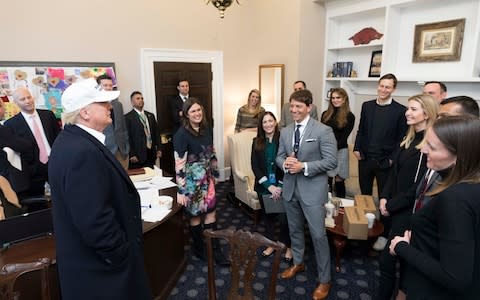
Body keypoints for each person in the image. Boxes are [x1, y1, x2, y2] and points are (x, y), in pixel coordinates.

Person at [48, 78, 152, 299]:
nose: (110, 107)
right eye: (103, 103)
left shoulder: (74, 141)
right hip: (102, 274)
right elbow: (94, 220)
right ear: (85, 113)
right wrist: (121, 254)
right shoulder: (81, 152)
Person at [390, 116, 480, 300]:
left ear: (458, 156)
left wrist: (401, 247)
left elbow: (455, 277)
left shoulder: (455, 199)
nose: (423, 150)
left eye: (431, 147)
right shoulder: (470, 186)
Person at [276, 89, 337, 300]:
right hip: (290, 189)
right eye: (292, 106)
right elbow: (279, 157)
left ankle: (324, 280)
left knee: (318, 236)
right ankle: (298, 263)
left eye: (298, 107)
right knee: (294, 231)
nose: (294, 110)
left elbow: (331, 162)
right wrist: (285, 163)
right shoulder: (285, 131)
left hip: (313, 191)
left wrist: (304, 166)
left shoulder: (323, 131)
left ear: (309, 107)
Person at [376, 94, 438, 300]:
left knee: (389, 261)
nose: (407, 112)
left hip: (408, 213)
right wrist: (384, 196)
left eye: (413, 109)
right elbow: (393, 174)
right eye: (408, 108)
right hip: (395, 208)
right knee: (392, 262)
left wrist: (390, 205)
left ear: (427, 114)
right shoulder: (409, 137)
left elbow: (418, 189)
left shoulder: (429, 146)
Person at [353, 73, 408, 251]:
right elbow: (361, 130)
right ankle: (365, 230)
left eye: (388, 87)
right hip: (365, 160)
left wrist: (393, 159)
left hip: (386, 163)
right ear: (378, 85)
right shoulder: (367, 106)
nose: (383, 89)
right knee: (365, 197)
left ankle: (384, 235)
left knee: (385, 201)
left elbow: (402, 139)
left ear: (394, 89)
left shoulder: (400, 110)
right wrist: (356, 147)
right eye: (381, 85)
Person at [173, 98, 229, 266]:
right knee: (196, 217)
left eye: (199, 110)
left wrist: (216, 173)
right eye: (193, 111)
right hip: (191, 182)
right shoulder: (181, 134)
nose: (197, 114)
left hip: (207, 179)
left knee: (211, 213)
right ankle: (199, 249)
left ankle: (216, 251)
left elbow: (212, 152)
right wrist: (181, 190)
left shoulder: (206, 129)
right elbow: (179, 164)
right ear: (186, 115)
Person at [251, 111, 292, 262]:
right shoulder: (256, 141)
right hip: (264, 187)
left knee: (284, 218)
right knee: (268, 217)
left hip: (283, 185)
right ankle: (271, 244)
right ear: (261, 125)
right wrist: (269, 186)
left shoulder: (284, 139)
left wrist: (279, 186)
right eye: (264, 122)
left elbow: (287, 163)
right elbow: (255, 166)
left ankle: (288, 246)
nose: (268, 124)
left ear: (275, 122)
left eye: (270, 121)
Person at [5, 87, 60, 196]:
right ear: (15, 103)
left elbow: (59, 138)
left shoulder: (48, 115)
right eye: (22, 99)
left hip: (55, 163)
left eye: (29, 97)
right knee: (38, 206)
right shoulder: (11, 124)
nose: (27, 101)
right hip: (33, 171)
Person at [321, 87, 355, 198]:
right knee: (327, 179)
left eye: (338, 97)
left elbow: (344, 137)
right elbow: (321, 134)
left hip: (341, 150)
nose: (335, 100)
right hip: (326, 151)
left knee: (339, 179)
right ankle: (325, 205)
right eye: (333, 98)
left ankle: (341, 208)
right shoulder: (325, 114)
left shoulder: (350, 116)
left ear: (344, 99)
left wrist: (332, 149)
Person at [96, 74, 130, 170]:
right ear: (99, 87)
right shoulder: (95, 106)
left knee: (124, 181)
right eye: (105, 85)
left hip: (122, 151)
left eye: (110, 85)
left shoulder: (118, 105)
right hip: (105, 150)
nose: (108, 88)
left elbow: (123, 128)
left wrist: (126, 147)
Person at [125, 91, 161, 169]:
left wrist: (159, 148)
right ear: (132, 102)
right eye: (138, 98)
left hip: (151, 153)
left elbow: (156, 133)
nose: (141, 100)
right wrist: (132, 154)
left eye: (142, 98)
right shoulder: (128, 117)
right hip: (137, 155)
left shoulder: (150, 115)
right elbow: (127, 138)